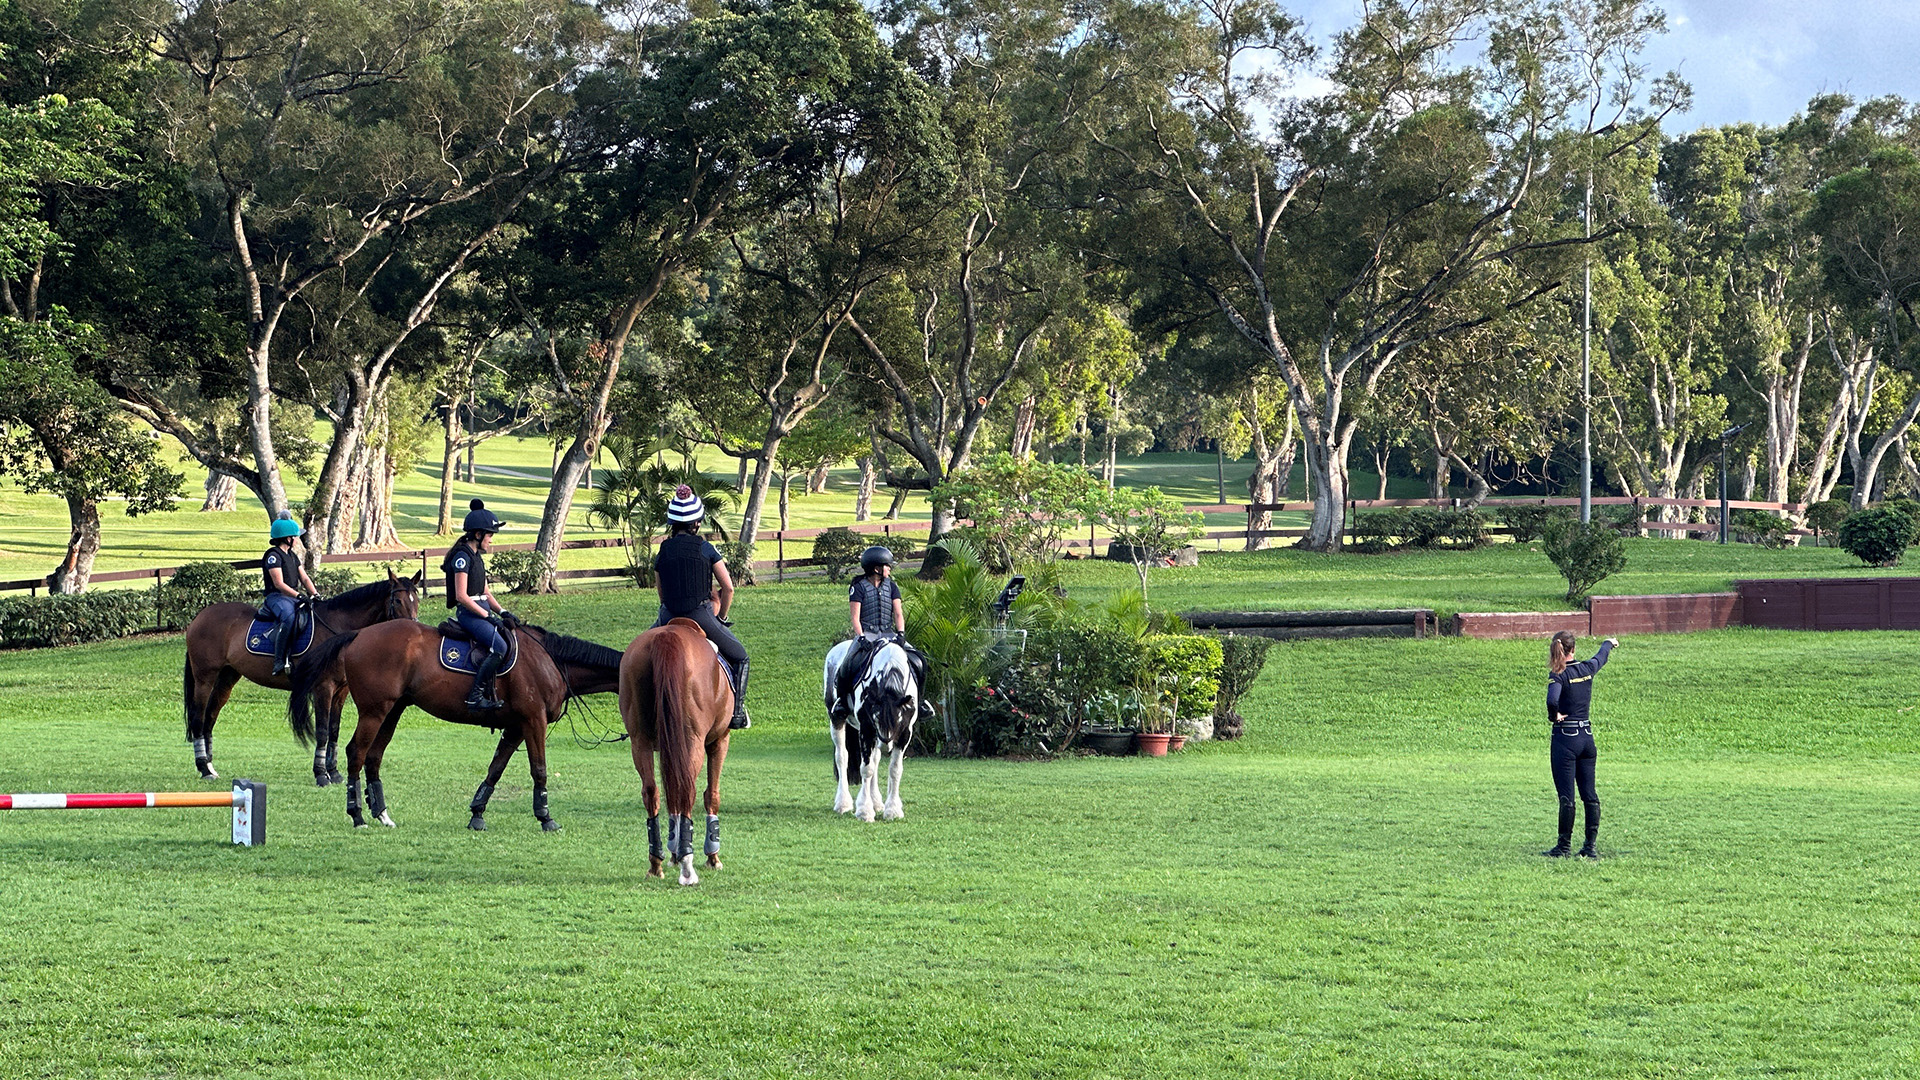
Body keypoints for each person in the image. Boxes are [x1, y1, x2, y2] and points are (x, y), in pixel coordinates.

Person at [651, 485, 751, 730]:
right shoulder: (706, 548)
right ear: (697, 523)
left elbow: (661, 593)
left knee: (636, 655)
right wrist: (722, 617)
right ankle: (737, 714)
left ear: (672, 522)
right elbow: (727, 588)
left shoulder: (662, 551)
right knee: (741, 657)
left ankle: (643, 716)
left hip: (667, 615)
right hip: (700, 614)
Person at [830, 545, 932, 724]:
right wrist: (861, 637)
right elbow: (855, 617)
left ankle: (921, 702)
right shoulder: (858, 587)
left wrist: (901, 634)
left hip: (888, 633)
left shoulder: (892, 586)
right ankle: (841, 704)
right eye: (887, 566)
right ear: (876, 568)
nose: (890, 569)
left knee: (919, 661)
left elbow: (898, 613)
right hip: (867, 634)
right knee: (847, 665)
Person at [1543, 630, 1615, 858]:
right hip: (1587, 737)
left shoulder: (1558, 675)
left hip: (1566, 739)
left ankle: (1563, 847)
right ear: (1573, 649)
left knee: (1567, 796)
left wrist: (1553, 716)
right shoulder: (1586, 669)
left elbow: (1552, 700)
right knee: (1589, 794)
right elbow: (1600, 656)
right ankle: (1590, 848)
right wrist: (1609, 643)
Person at [443, 499, 513, 711]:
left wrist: (502, 611)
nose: (491, 540)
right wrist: (487, 616)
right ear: (478, 534)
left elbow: (485, 592)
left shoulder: (477, 557)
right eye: (489, 535)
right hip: (469, 614)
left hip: (481, 611)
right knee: (499, 647)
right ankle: (475, 696)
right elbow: (462, 596)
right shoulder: (463, 557)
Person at [262, 513, 320, 675]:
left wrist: (315, 594)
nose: (297, 539)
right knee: (289, 617)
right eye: (295, 536)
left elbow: (305, 577)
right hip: (277, 597)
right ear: (288, 539)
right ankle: (279, 660)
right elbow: (279, 584)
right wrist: (298, 595)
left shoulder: (292, 556)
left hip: (291, 596)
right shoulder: (273, 556)